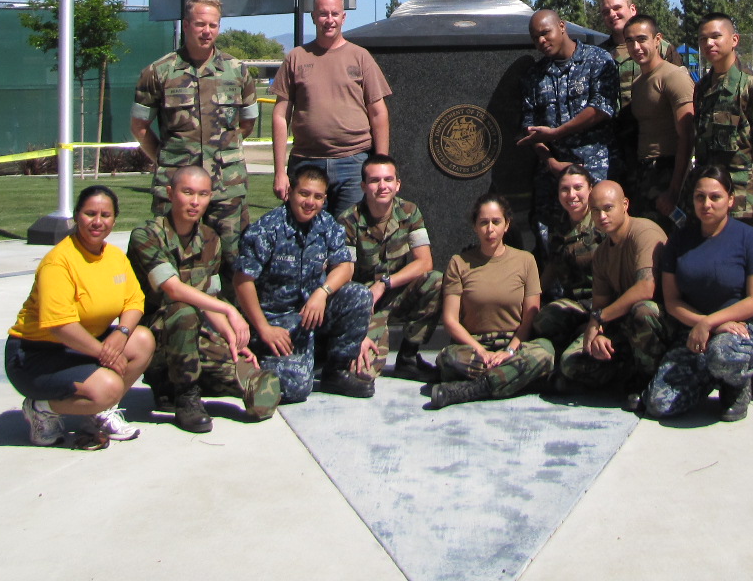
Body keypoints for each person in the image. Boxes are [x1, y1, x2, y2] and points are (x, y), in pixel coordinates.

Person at [127, 166, 281, 433]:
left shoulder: (210, 238)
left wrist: (229, 337)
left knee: (260, 390)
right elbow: (172, 289)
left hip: (193, 335)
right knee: (182, 310)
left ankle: (174, 385)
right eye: (187, 192)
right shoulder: (147, 235)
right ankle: (185, 396)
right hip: (150, 336)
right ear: (170, 193)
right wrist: (230, 311)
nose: (195, 201)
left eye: (203, 194)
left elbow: (209, 294)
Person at [5, 184, 155, 448]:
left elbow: (134, 301)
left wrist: (121, 334)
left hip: (83, 347)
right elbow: (60, 326)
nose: (97, 222)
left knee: (142, 339)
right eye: (90, 214)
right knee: (108, 386)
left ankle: (97, 414)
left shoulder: (114, 257)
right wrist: (103, 353)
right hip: (35, 355)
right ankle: (41, 408)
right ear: (76, 216)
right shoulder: (59, 261)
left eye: (105, 215)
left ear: (114, 219)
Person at [643, 167, 753, 422]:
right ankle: (708, 378)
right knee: (658, 405)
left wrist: (710, 322)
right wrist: (701, 324)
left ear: (730, 200)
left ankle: (737, 384)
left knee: (723, 354)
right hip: (695, 333)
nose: (706, 204)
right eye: (699, 197)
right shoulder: (680, 241)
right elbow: (672, 302)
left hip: (742, 329)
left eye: (715, 197)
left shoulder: (750, 239)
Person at [233, 165, 376, 402]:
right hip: (276, 320)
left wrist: (322, 292)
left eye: (318, 197)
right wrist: (264, 328)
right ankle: (252, 365)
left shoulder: (327, 225)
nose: (310, 202)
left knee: (359, 295)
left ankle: (336, 371)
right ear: (290, 192)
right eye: (304, 194)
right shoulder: (267, 229)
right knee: (296, 389)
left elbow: (345, 266)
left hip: (312, 311)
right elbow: (242, 280)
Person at [131, 0, 259, 260]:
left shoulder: (237, 72)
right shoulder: (158, 72)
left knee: (234, 260)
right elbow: (140, 127)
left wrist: (222, 153)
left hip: (226, 187)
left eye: (213, 25)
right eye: (200, 24)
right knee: (174, 258)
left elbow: (247, 123)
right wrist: (168, 161)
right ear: (187, 25)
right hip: (177, 189)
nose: (207, 31)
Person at [270, 0, 392, 217]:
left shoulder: (361, 57)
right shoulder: (296, 57)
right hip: (306, 163)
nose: (329, 20)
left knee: (349, 239)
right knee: (305, 238)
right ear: (313, 17)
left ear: (343, 17)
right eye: (323, 14)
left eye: (334, 14)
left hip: (353, 163)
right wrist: (279, 172)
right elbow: (280, 115)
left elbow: (378, 113)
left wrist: (380, 167)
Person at [429, 194, 556, 408]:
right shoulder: (459, 263)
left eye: (496, 222)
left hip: (514, 345)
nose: (490, 229)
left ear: (507, 225)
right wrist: (480, 350)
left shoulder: (526, 261)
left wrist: (509, 351)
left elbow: (531, 315)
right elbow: (450, 320)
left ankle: (473, 389)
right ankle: (515, 379)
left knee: (545, 352)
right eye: (483, 223)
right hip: (474, 348)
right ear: (474, 226)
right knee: (448, 359)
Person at [555, 181, 668, 410]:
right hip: (623, 324)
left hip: (662, 321)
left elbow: (647, 287)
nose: (602, 216)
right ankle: (626, 370)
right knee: (570, 363)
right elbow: (600, 303)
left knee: (643, 310)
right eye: (596, 211)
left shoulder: (644, 231)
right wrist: (598, 334)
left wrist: (600, 317)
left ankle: (649, 378)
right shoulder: (602, 253)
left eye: (608, 208)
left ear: (625, 205)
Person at [517, 8, 619, 255]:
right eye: (535, 38)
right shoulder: (535, 75)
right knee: (551, 240)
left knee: (600, 237)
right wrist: (551, 163)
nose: (541, 41)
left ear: (562, 26)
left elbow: (602, 109)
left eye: (545, 33)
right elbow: (528, 128)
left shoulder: (598, 60)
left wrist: (555, 133)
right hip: (553, 175)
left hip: (593, 167)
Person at [337, 152, 442, 382]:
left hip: (395, 290)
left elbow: (424, 262)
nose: (382, 186)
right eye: (375, 181)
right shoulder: (348, 221)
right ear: (364, 186)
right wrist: (359, 316)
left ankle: (409, 358)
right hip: (364, 302)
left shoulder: (409, 212)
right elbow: (344, 276)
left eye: (388, 180)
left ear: (397, 185)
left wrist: (385, 284)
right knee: (363, 375)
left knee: (436, 280)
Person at [692, 13, 753, 232]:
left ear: (734, 40)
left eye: (715, 36)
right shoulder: (702, 88)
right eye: (703, 39)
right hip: (708, 203)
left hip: (742, 206)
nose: (708, 43)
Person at [623, 13, 695, 232]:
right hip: (644, 173)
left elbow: (688, 136)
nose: (636, 47)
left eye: (642, 39)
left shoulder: (673, 77)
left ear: (657, 40)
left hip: (668, 170)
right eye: (630, 41)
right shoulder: (639, 82)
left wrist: (674, 189)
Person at [599, 0, 680, 177]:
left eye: (617, 8)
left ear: (632, 9)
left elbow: (680, 93)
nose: (612, 14)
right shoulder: (600, 54)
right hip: (618, 144)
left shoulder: (662, 48)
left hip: (657, 143)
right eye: (606, 11)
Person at [532, 164, 605, 352]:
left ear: (590, 189)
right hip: (574, 304)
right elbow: (553, 266)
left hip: (603, 304)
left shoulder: (602, 223)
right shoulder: (559, 226)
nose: (571, 195)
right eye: (565, 189)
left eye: (578, 188)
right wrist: (532, 298)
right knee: (543, 321)